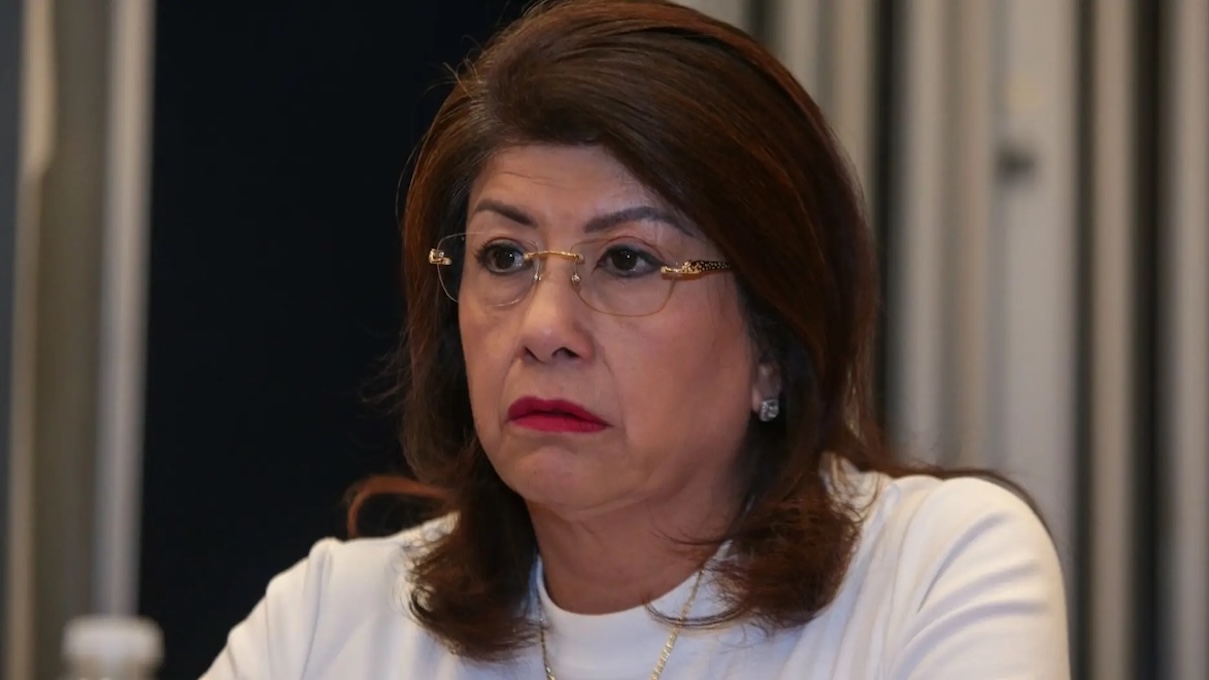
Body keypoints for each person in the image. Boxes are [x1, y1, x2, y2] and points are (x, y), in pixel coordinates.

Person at [203, 0, 1069, 678]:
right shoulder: (331, 622)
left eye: (627, 260)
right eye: (504, 256)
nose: (544, 328)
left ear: (772, 340)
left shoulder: (930, 572)